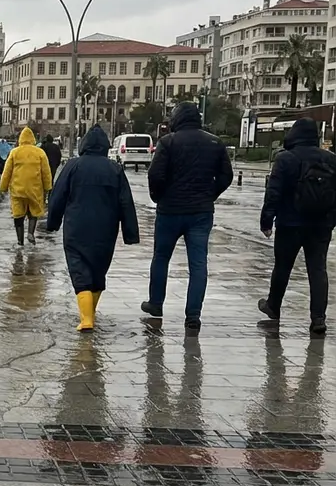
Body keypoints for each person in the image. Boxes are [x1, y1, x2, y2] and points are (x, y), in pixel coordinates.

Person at [142, 102, 234, 332]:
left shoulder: (168, 142)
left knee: (161, 258)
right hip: (201, 213)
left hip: (170, 211)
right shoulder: (215, 143)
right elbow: (226, 175)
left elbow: (155, 175)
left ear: (178, 119)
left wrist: (158, 197)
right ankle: (193, 314)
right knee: (198, 263)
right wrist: (210, 194)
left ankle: (156, 303)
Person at [47, 125, 140, 332]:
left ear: (84, 145)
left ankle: (86, 318)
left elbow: (57, 197)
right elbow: (126, 202)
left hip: (76, 227)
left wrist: (52, 223)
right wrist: (130, 233)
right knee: (98, 271)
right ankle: (90, 314)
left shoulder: (73, 166)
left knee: (79, 270)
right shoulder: (114, 169)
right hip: (106, 230)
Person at [258, 119, 336, 334]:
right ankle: (318, 318)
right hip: (321, 225)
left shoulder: (285, 159)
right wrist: (331, 221)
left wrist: (266, 221)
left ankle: (273, 306)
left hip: (289, 223)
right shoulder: (331, 159)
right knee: (318, 269)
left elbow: (273, 193)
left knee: (283, 266)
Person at [0, 127, 53, 246]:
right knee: (33, 212)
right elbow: (46, 172)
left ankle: (20, 241)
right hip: (34, 188)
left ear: (20, 139)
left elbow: (7, 171)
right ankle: (30, 233)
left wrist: (3, 187)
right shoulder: (40, 152)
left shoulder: (15, 152)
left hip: (18, 189)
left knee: (18, 214)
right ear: (33, 139)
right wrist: (47, 187)